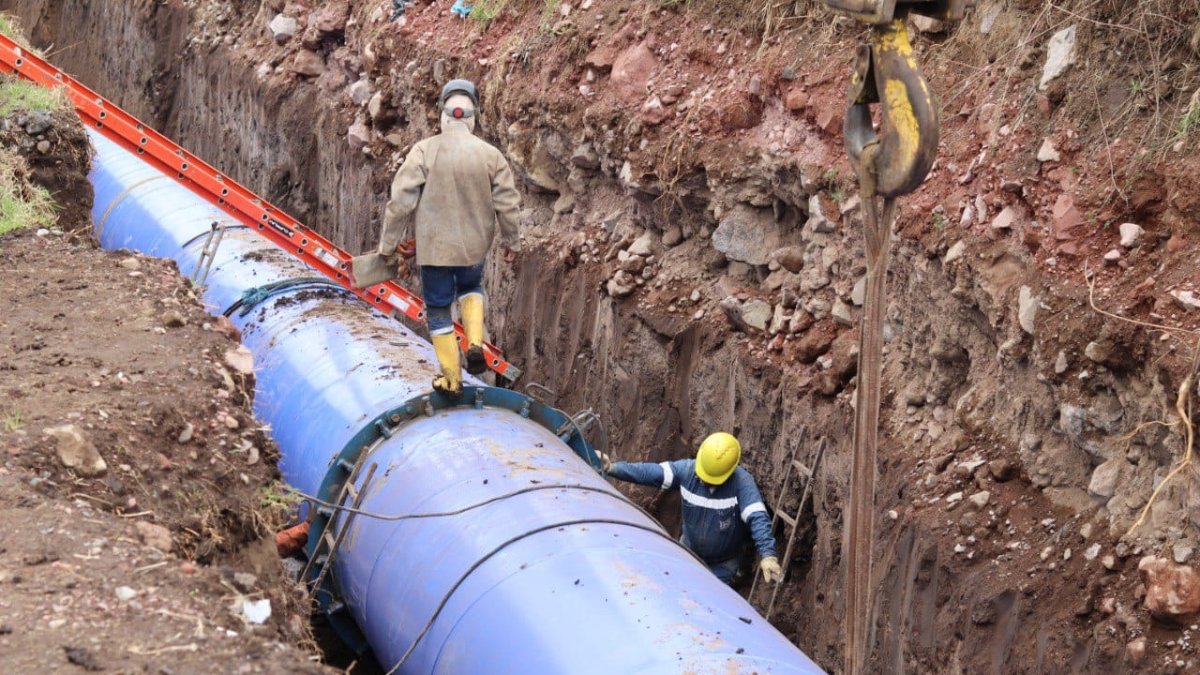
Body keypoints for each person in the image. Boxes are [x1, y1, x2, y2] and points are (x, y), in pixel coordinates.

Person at [353, 79, 521, 396]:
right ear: (472, 117)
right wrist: (513, 243)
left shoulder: (424, 151)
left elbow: (400, 203)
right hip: (474, 249)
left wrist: (387, 249)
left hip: (435, 252)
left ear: (443, 115)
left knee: (439, 309)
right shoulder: (491, 156)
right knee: (472, 287)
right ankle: (474, 343)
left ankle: (451, 377)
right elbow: (508, 205)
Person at [598, 432, 782, 586]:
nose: (702, 480)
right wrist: (614, 468)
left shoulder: (742, 483)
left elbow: (757, 518)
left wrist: (768, 555)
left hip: (723, 565)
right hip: (688, 553)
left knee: (711, 600)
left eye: (709, 478)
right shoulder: (687, 470)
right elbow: (652, 473)